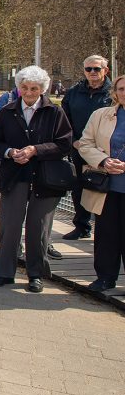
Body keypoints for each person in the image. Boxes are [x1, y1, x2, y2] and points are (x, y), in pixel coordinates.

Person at [0, 65, 73, 293]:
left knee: (39, 227)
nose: (28, 93)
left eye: (34, 88)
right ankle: (4, 272)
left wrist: (35, 149)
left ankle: (36, 273)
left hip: (45, 179)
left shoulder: (54, 112)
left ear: (42, 90)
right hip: (15, 176)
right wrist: (10, 153)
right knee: (10, 225)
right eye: (24, 88)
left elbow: (64, 143)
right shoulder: (7, 111)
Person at [76, 74, 125, 292]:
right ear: (115, 92)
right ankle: (105, 278)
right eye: (121, 89)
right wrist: (104, 161)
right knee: (106, 235)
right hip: (107, 187)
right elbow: (84, 144)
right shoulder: (101, 115)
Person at [61, 55, 112, 240]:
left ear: (105, 70)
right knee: (79, 187)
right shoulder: (74, 92)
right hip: (79, 148)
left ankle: (105, 229)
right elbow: (64, 120)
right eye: (88, 69)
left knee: (104, 189)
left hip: (106, 151)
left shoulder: (113, 93)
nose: (92, 72)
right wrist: (73, 140)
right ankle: (81, 226)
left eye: (96, 69)